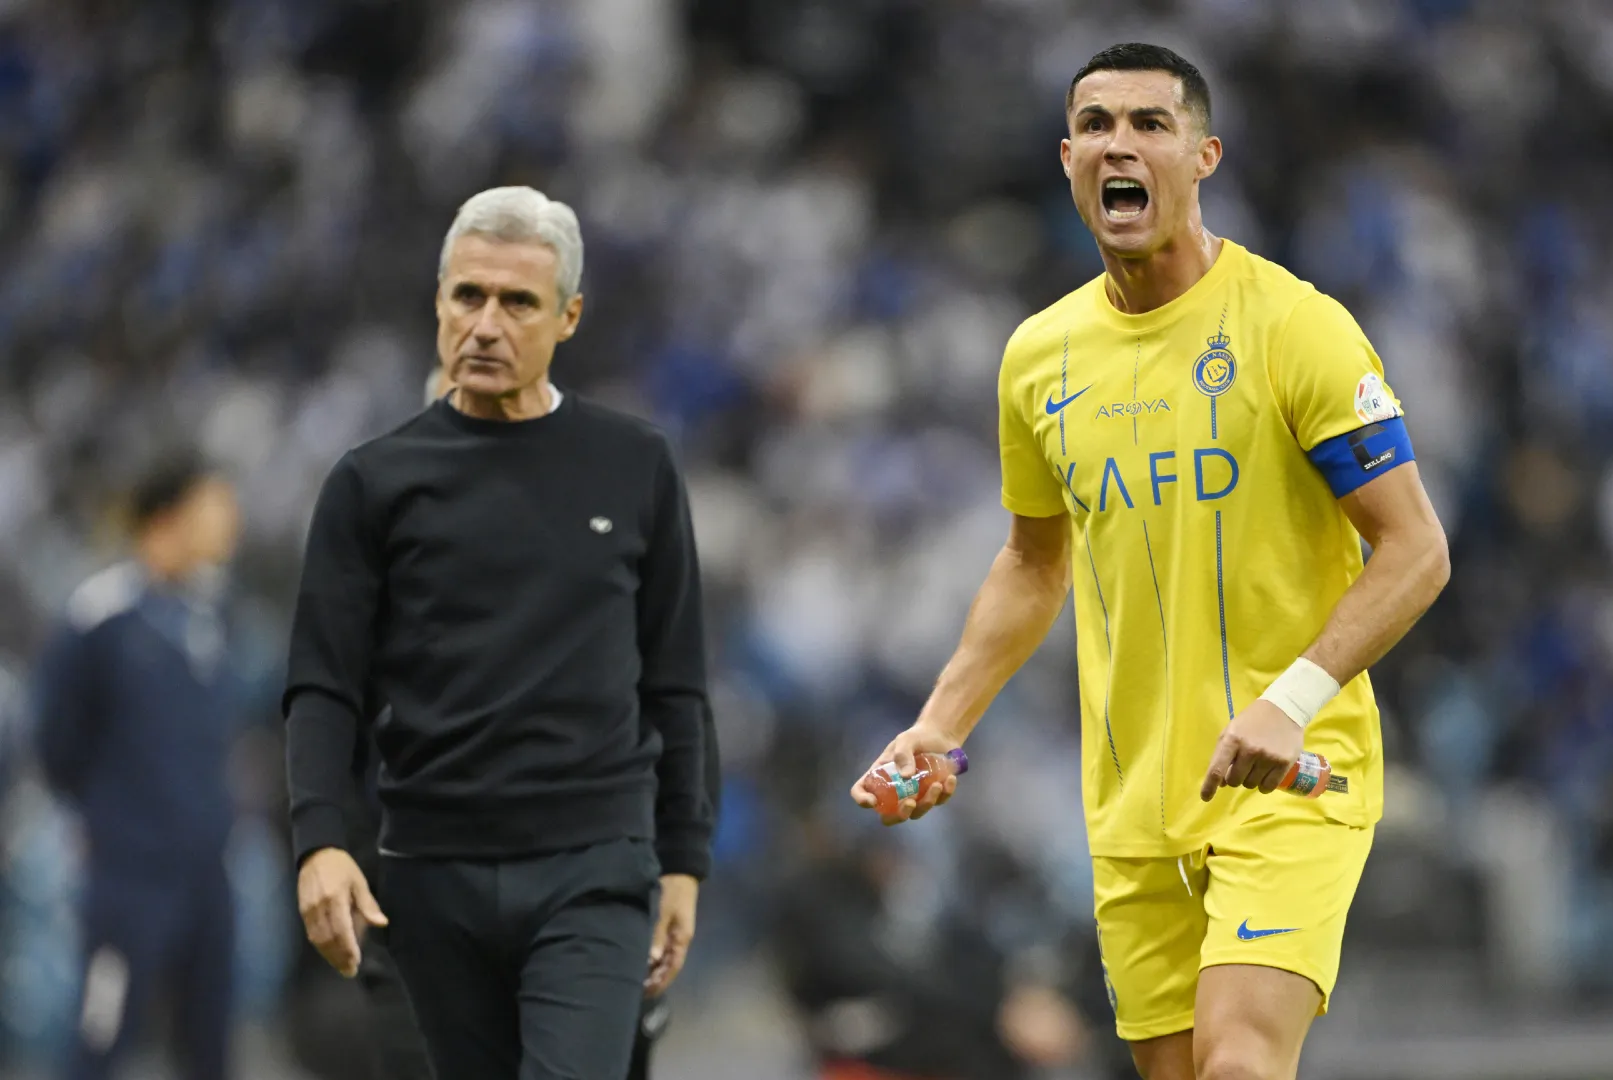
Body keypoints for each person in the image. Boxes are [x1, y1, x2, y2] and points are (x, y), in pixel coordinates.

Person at [851, 44, 1450, 1080]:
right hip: (1132, 807)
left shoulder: (1295, 329)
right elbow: (1032, 562)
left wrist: (1292, 699)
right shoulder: (1039, 357)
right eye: (1095, 125)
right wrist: (940, 724)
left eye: (1149, 124)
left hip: (1290, 780)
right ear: (1067, 158)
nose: (1118, 144)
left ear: (1203, 155)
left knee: (1239, 1062)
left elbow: (1416, 549)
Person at [284, 185, 715, 1080]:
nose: (486, 324)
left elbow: (675, 683)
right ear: (437, 304)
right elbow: (325, 684)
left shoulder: (634, 465)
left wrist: (683, 859)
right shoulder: (372, 484)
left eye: (518, 302)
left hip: (591, 867)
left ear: (568, 317)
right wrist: (321, 839)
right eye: (466, 296)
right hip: (429, 873)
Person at [346, 365, 684, 1080]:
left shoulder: (593, 566)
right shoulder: (378, 569)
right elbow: (328, 731)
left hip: (583, 880)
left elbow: (675, 701)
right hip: (428, 895)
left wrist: (673, 866)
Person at [34, 456, 245, 1080]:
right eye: (214, 505)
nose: (228, 520)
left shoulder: (213, 612)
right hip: (130, 873)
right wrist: (107, 818)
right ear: (170, 515)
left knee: (211, 1044)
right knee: (102, 1037)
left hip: (207, 866)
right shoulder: (102, 616)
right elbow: (57, 739)